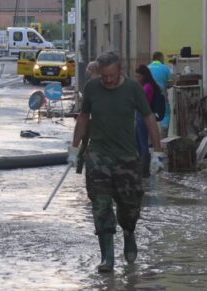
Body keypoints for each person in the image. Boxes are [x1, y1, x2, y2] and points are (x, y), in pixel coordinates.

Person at [69, 51, 165, 272]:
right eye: (104, 76)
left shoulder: (133, 89)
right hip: (98, 156)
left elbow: (149, 118)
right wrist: (74, 148)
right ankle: (107, 257)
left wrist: (157, 152)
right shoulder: (92, 88)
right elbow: (83, 118)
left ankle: (129, 232)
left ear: (121, 70)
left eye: (111, 75)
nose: (108, 80)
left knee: (129, 207)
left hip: (127, 157)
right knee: (100, 206)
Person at [135, 65, 163, 178]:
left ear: (144, 76)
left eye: (139, 76)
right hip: (140, 116)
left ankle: (144, 170)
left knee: (143, 143)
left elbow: (143, 103)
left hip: (143, 116)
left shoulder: (147, 87)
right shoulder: (146, 86)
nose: (137, 78)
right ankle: (141, 167)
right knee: (138, 142)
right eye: (136, 76)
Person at [148, 52, 172, 133]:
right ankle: (163, 134)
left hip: (149, 98)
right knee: (166, 114)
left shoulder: (147, 68)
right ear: (161, 58)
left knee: (150, 114)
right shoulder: (165, 68)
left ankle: (151, 137)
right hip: (161, 96)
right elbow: (169, 84)